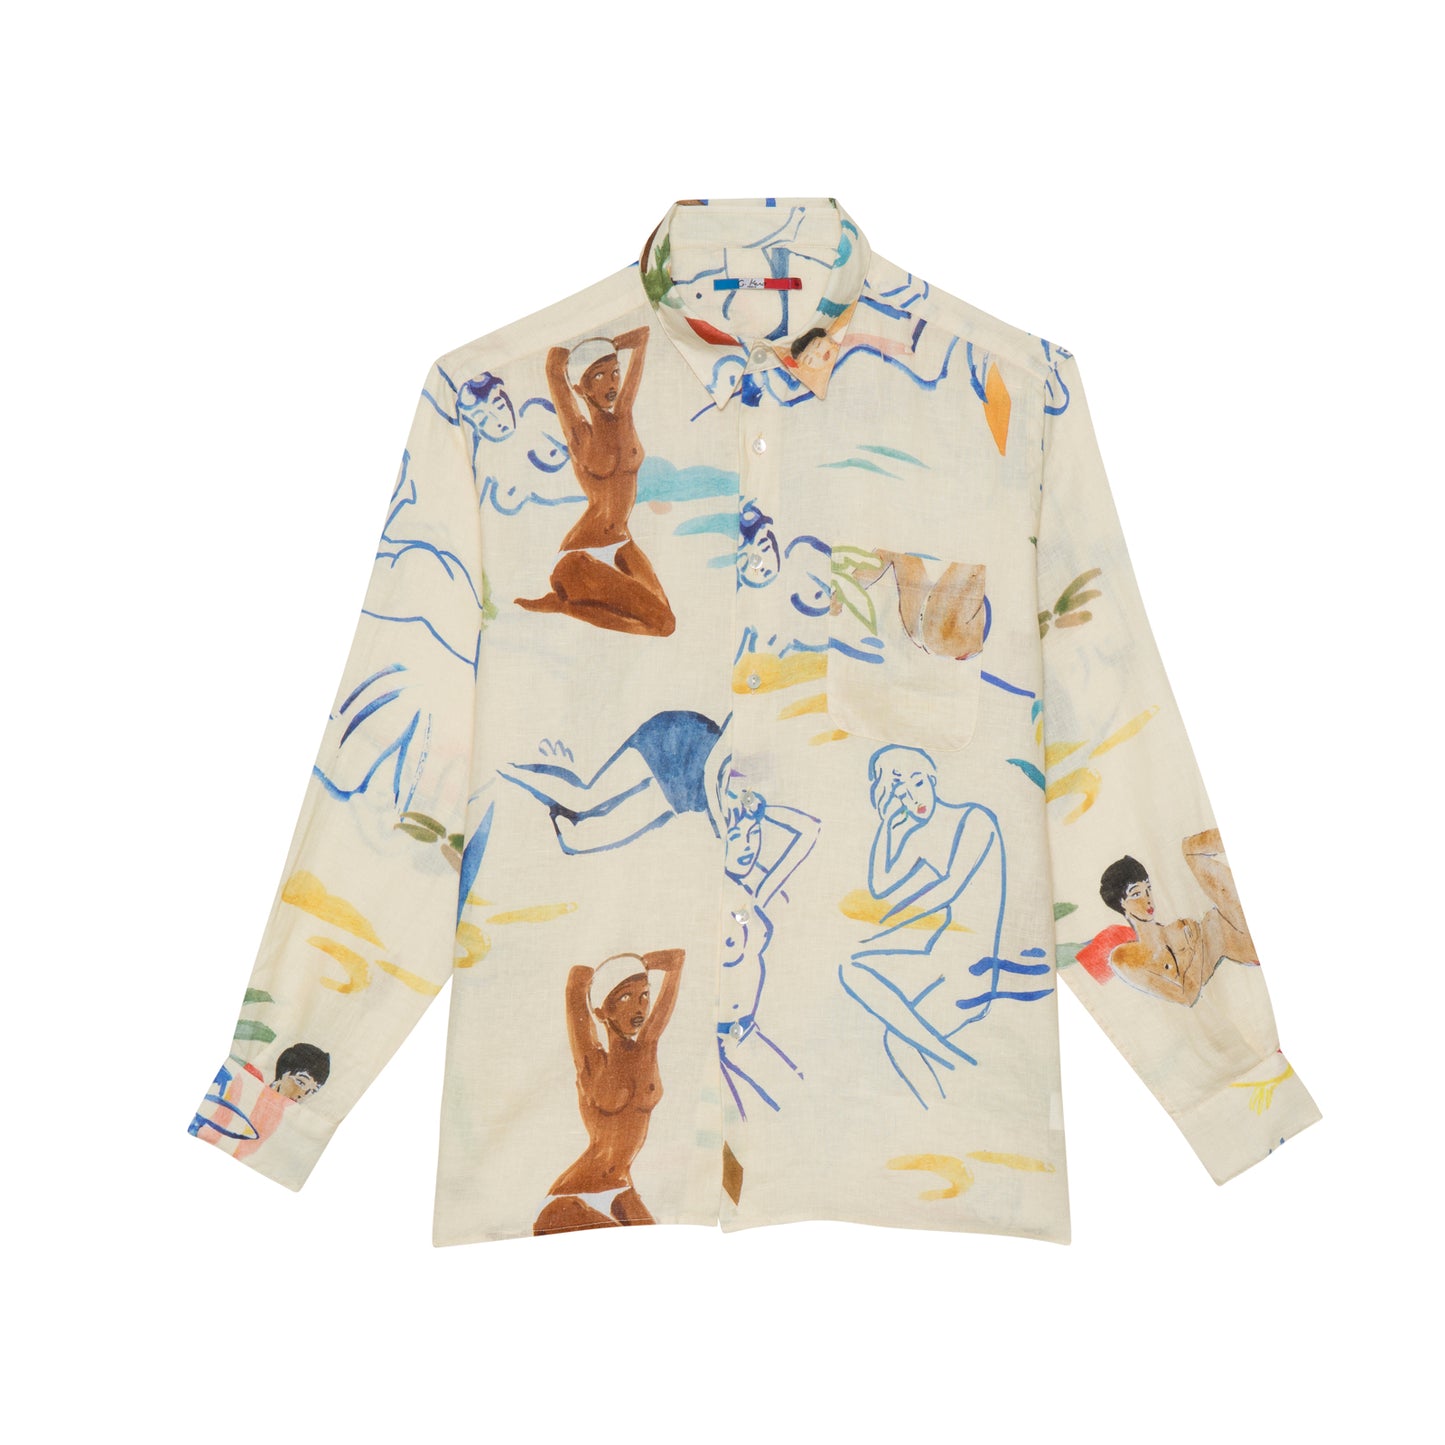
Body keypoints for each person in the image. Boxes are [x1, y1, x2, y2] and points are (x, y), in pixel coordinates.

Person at [515, 331, 675, 635]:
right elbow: (553, 367)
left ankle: (571, 605)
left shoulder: (624, 415)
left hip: (622, 543)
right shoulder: (580, 434)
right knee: (660, 621)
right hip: (578, 558)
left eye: (615, 372)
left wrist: (609, 344)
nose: (611, 383)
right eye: (598, 376)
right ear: (580, 387)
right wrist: (575, 341)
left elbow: (642, 338)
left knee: (665, 625)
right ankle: (566, 604)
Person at [533, 949, 685, 1234]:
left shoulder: (647, 1049)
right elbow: (575, 983)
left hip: (621, 1188)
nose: (639, 1008)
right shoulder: (592, 1062)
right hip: (572, 1197)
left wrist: (649, 963)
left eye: (644, 995)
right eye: (625, 997)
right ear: (602, 1011)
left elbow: (677, 961)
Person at [1076, 827, 1259, 1006]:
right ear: (1121, 903)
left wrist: (1204, 935)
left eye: (1148, 889)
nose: (1148, 899)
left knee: (1191, 849)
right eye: (1136, 894)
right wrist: (1204, 941)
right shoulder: (1124, 958)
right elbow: (1185, 996)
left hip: (1235, 926)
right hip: (1244, 942)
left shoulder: (1178, 928)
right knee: (1191, 850)